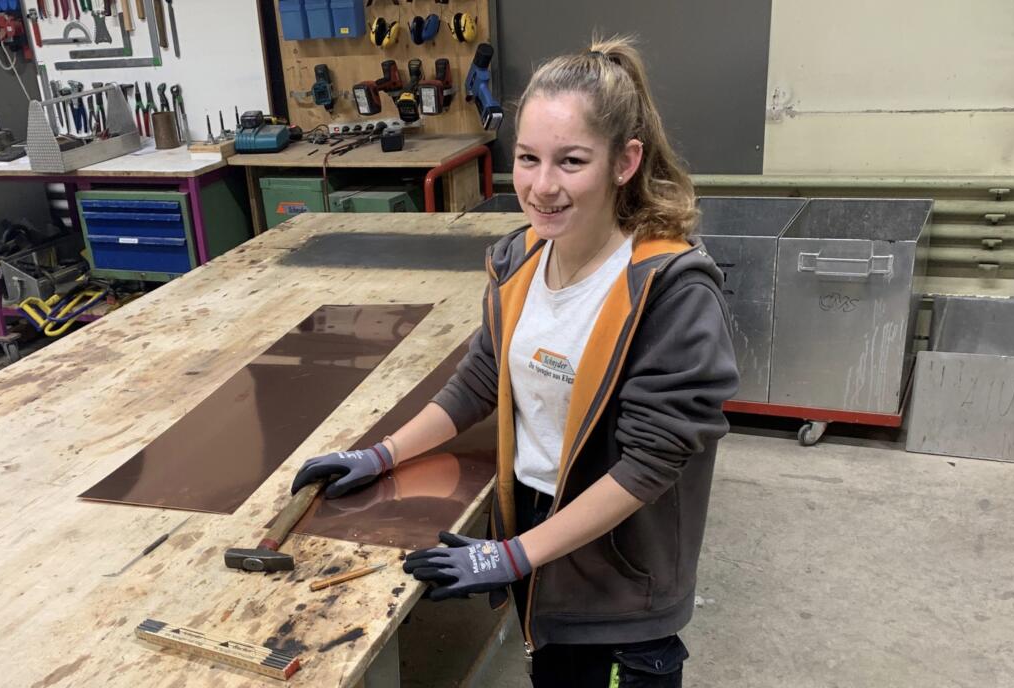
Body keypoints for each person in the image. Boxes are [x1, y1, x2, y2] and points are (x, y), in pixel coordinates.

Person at [291, 34, 739, 687]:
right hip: (537, 528)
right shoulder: (519, 260)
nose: (542, 186)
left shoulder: (669, 289)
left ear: (625, 162)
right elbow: (480, 380)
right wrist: (380, 456)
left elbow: (650, 465)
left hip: (620, 575)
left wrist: (513, 555)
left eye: (571, 161)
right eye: (527, 158)